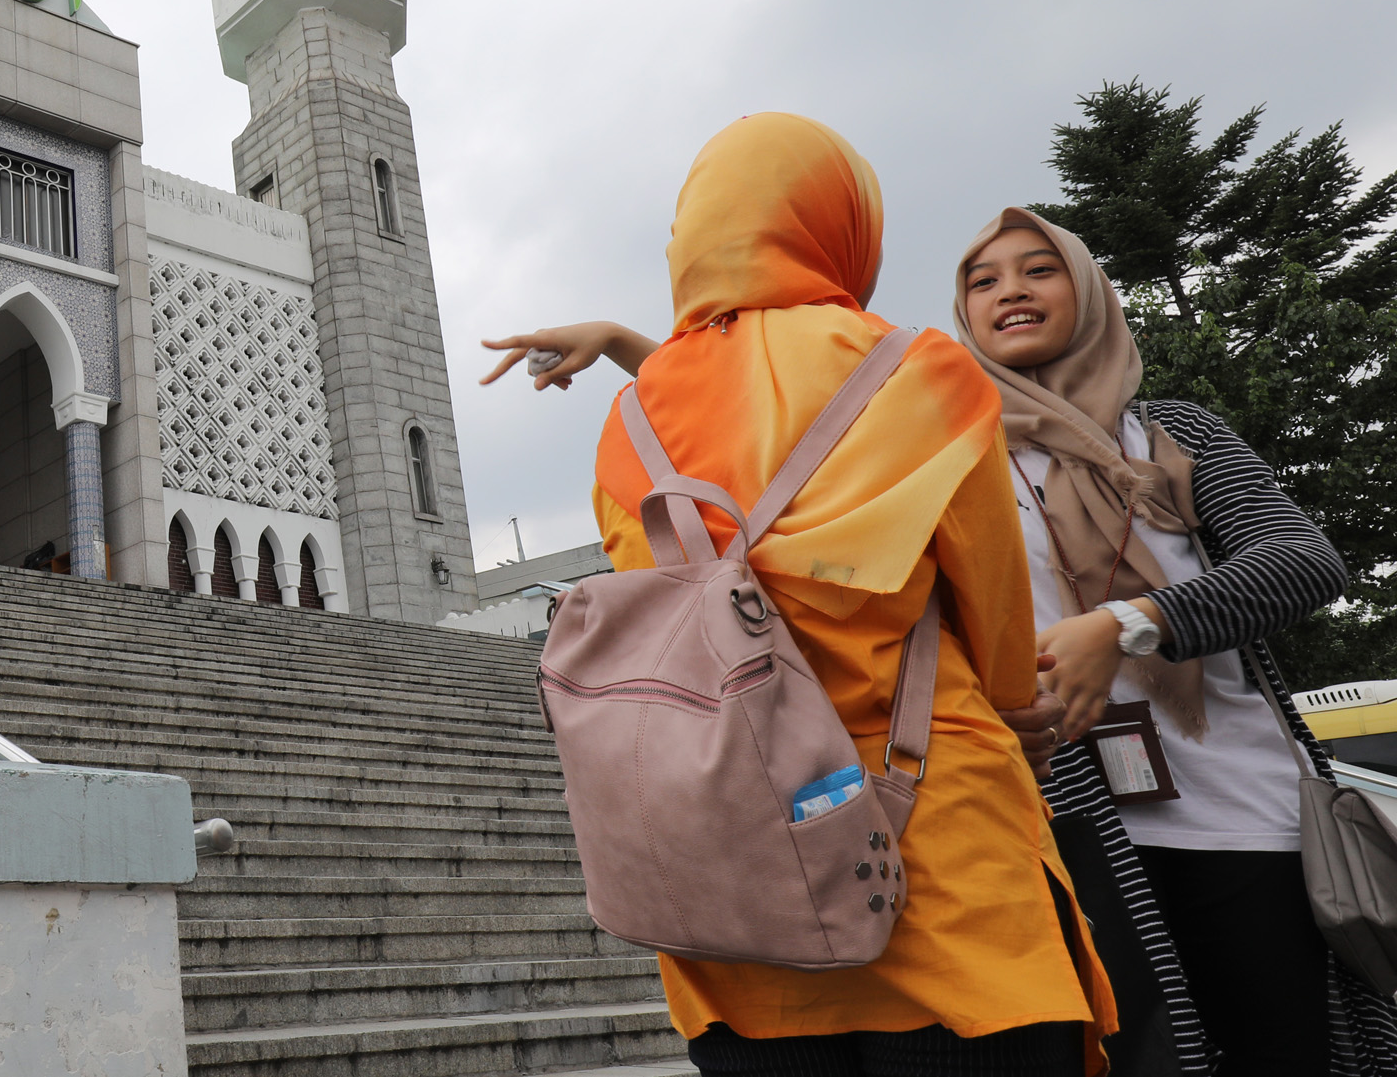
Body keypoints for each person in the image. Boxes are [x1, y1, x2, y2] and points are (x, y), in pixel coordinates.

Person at [488, 113, 1116, 1077]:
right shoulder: (919, 370)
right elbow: (999, 642)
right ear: (841, 221)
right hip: (936, 865)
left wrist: (624, 340)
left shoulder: (634, 417)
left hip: (733, 891)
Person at [954, 208, 1397, 1077]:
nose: (1011, 289)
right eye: (983, 278)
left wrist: (1126, 625)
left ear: (1086, 293)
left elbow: (1303, 560)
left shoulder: (1169, 432)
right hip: (1065, 825)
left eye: (1039, 269)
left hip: (1247, 822)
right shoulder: (948, 463)